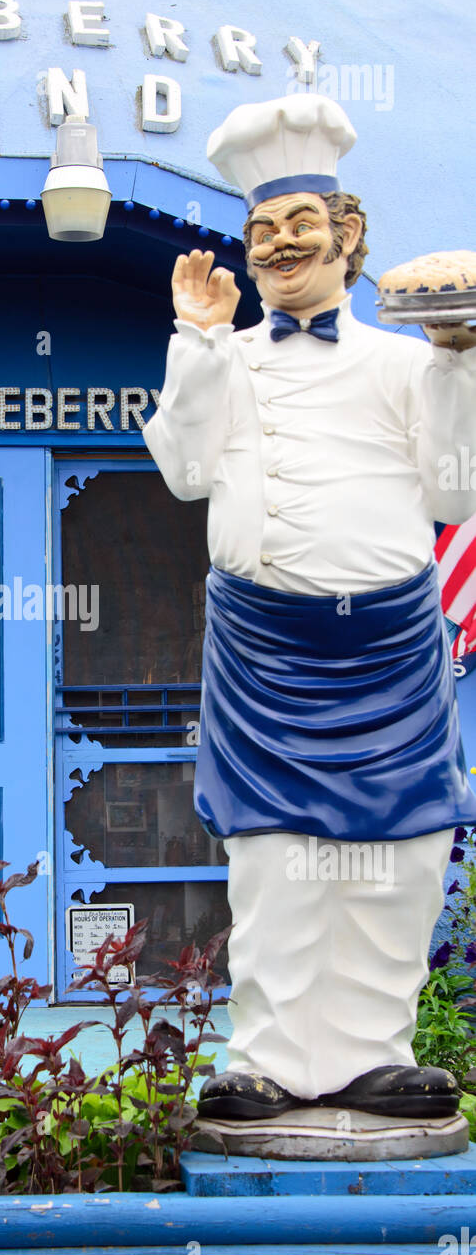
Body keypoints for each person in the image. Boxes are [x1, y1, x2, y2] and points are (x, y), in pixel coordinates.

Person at [143, 94, 476, 1120]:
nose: (281, 246)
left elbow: (456, 490)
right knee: (279, 863)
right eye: (262, 233)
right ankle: (269, 1060)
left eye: (300, 226)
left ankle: (374, 1052)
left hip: (388, 646)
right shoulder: (223, 359)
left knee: (396, 861)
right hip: (266, 646)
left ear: (348, 237)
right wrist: (197, 342)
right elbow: (187, 472)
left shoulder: (409, 360)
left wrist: (463, 357)